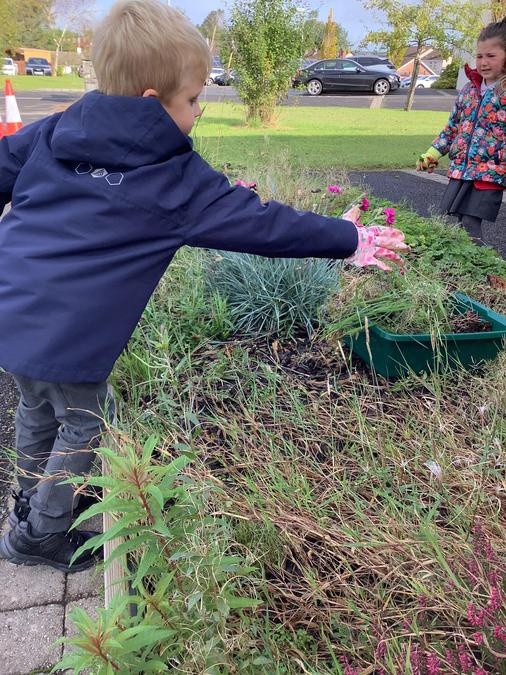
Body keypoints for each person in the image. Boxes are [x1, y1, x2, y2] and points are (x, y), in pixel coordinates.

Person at [0, 0, 408, 573]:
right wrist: (350, 239)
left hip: (11, 310)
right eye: (192, 100)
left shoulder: (59, 128)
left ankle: (32, 501)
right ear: (151, 102)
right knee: (88, 420)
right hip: (68, 339)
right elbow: (264, 223)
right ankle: (39, 533)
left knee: (37, 405)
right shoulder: (173, 178)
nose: (199, 111)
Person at [416, 19, 506, 244]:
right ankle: (466, 261)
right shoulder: (468, 91)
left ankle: (481, 263)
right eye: (479, 56)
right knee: (458, 221)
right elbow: (452, 128)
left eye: (491, 56)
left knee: (470, 222)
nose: (483, 62)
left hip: (489, 172)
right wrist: (431, 154)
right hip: (462, 169)